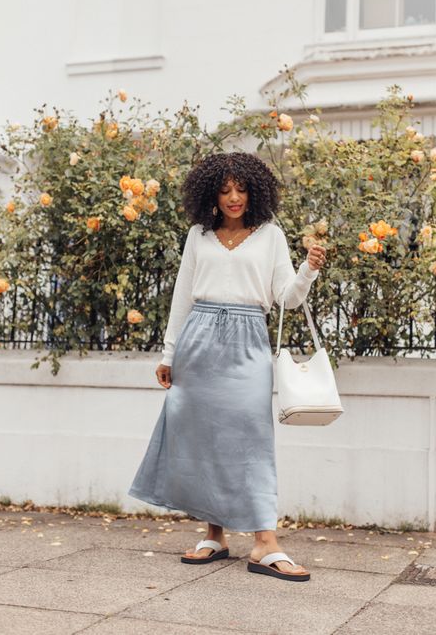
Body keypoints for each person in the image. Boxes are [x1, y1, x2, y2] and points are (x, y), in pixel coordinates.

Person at [128, 151, 327, 582]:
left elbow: (286, 299)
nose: (233, 197)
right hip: (198, 339)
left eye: (240, 188)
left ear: (253, 191)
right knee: (202, 438)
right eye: (224, 190)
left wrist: (308, 270)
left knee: (252, 438)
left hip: (247, 339)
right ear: (211, 196)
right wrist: (168, 354)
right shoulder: (198, 235)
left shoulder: (271, 234)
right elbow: (183, 297)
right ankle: (214, 534)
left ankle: (265, 542)